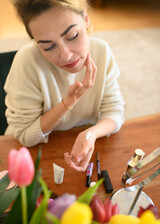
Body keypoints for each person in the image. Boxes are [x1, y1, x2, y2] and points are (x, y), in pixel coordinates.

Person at [4, 0, 124, 171]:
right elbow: (25, 136)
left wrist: (91, 134)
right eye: (49, 46)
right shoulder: (27, 61)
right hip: (29, 155)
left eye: (72, 36)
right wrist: (68, 103)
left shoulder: (102, 51)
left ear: (86, 20)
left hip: (78, 145)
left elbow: (114, 111)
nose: (66, 56)